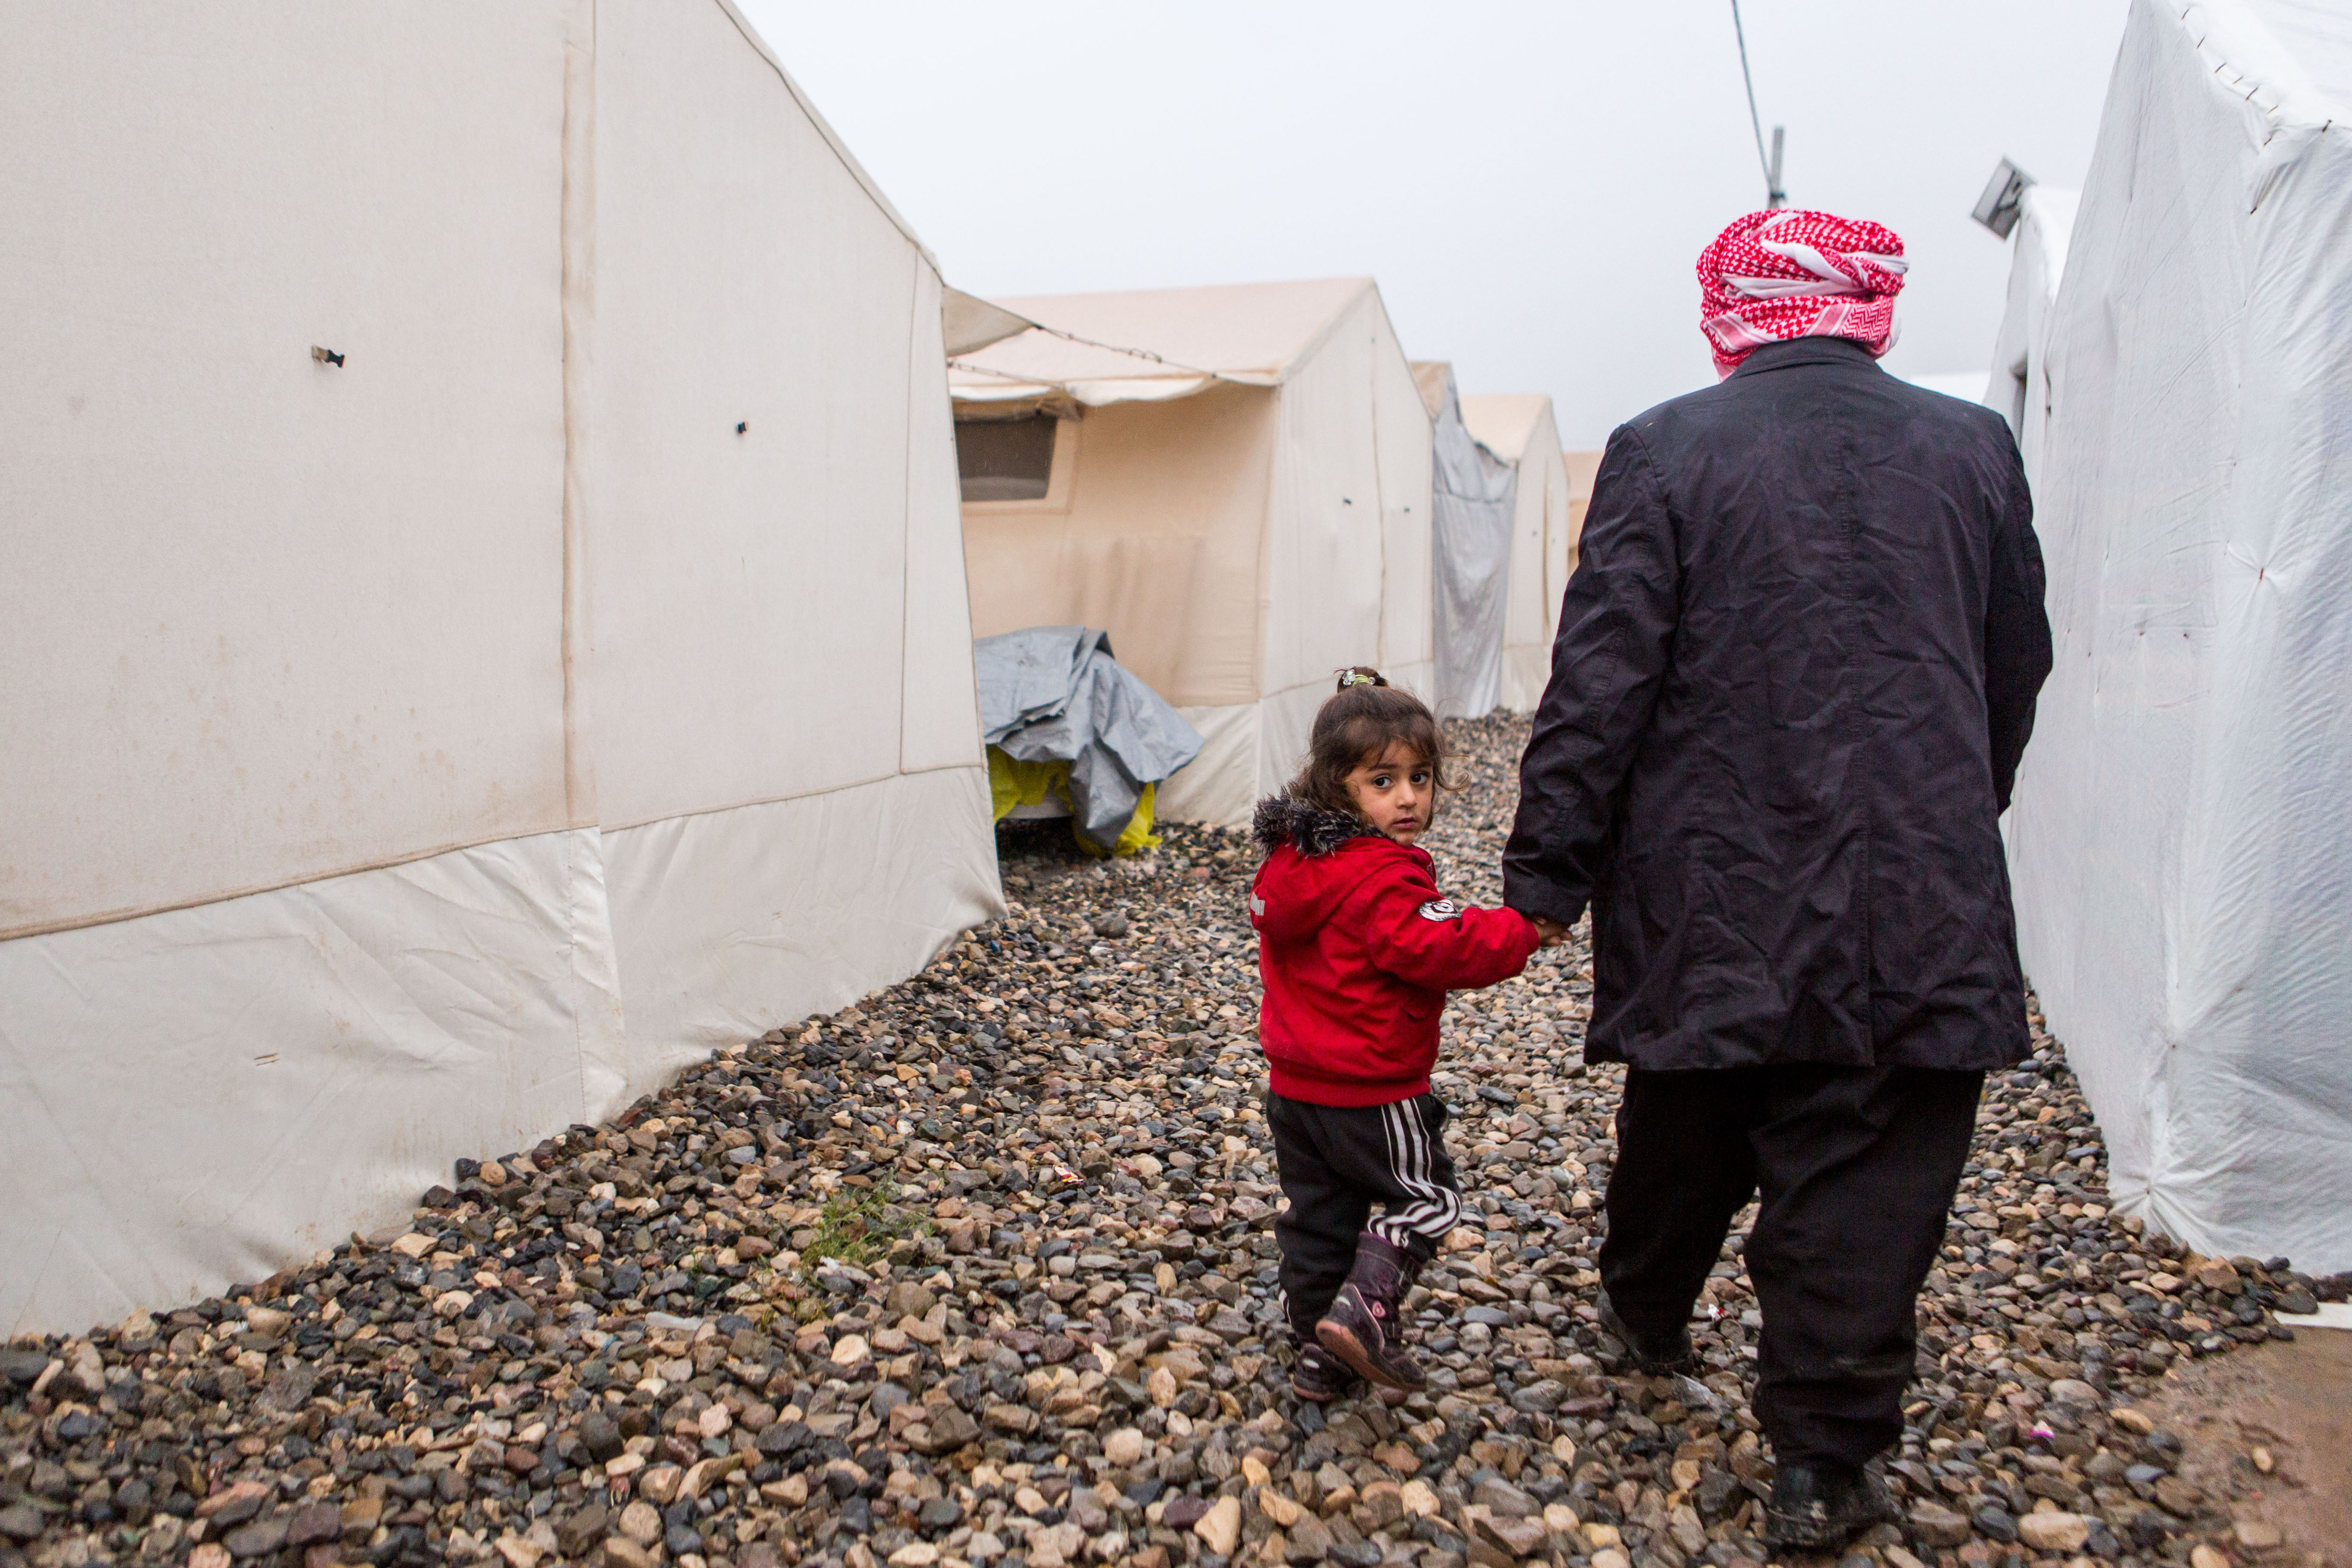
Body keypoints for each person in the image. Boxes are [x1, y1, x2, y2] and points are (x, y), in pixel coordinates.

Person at [1503, 210, 2054, 1550]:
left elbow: (1602, 683)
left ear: (1732, 311)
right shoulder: (1973, 445)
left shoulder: (1664, 449)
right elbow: (2016, 658)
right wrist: (1950, 805)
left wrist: (1546, 874)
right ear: (1868, 303)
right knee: (1872, 1159)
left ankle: (1643, 1304)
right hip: (1916, 883)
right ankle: (1822, 1457)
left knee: (1693, 1107)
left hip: (1715, 876)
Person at [1249, 668, 1550, 1401]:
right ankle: (1367, 1309)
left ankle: (1322, 1355)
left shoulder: (1293, 865)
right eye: (1382, 780)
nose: (1409, 797)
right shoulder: (1382, 875)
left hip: (1296, 1089)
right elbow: (1440, 944)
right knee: (1428, 1197)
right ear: (1334, 785)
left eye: (1420, 777)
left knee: (1319, 1219)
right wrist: (1522, 930)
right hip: (1375, 1088)